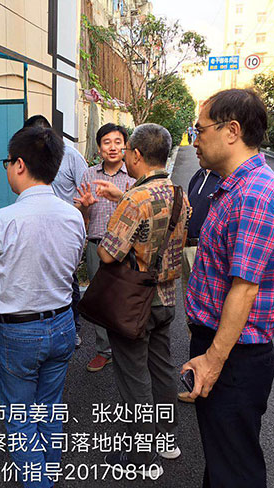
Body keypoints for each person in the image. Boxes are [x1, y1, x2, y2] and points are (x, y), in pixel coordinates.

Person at [183, 89, 274, 487]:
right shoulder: (233, 186)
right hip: (224, 348)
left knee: (235, 470)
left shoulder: (254, 194)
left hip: (233, 357)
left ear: (231, 131)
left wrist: (212, 360)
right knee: (223, 460)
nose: (195, 139)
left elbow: (244, 289)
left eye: (200, 130)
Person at [0, 127, 86, 488]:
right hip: (63, 323)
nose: (7, 169)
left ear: (19, 165)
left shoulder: (3, 219)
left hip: (18, 330)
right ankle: (47, 475)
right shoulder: (73, 216)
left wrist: (10, 290)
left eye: (7, 162)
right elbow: (71, 268)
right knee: (50, 409)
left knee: (20, 417)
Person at [94, 123, 191, 476]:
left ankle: (139, 452)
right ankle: (166, 439)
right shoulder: (179, 195)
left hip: (134, 303)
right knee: (162, 368)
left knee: (134, 376)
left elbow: (107, 254)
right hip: (166, 298)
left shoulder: (134, 199)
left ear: (136, 154)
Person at [73, 123, 135, 373]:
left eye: (118, 142)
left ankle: (127, 346)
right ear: (99, 148)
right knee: (99, 298)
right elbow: (81, 217)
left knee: (126, 295)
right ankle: (104, 350)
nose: (112, 147)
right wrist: (85, 207)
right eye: (106, 142)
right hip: (97, 244)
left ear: (125, 146)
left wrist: (123, 197)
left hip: (127, 246)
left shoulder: (133, 176)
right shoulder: (89, 175)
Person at [23, 115, 88, 347]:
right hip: (33, 229)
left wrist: (75, 218)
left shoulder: (70, 156)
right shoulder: (25, 159)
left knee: (67, 278)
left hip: (64, 230)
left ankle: (73, 327)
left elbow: (86, 191)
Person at [178, 165, 220, 404]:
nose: (196, 147)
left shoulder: (223, 179)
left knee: (206, 319)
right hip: (188, 248)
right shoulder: (200, 175)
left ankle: (207, 385)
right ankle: (198, 382)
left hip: (203, 252)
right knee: (192, 316)